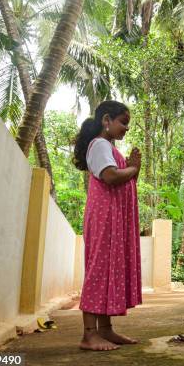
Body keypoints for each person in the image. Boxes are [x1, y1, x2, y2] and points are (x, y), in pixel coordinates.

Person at [72, 100, 142, 351]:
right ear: (106, 120)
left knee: (107, 267)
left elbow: (123, 177)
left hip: (111, 216)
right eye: (123, 122)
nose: (126, 128)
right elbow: (110, 176)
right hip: (104, 217)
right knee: (98, 270)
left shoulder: (107, 147)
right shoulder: (100, 144)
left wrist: (133, 169)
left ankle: (106, 330)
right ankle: (89, 334)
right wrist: (133, 168)